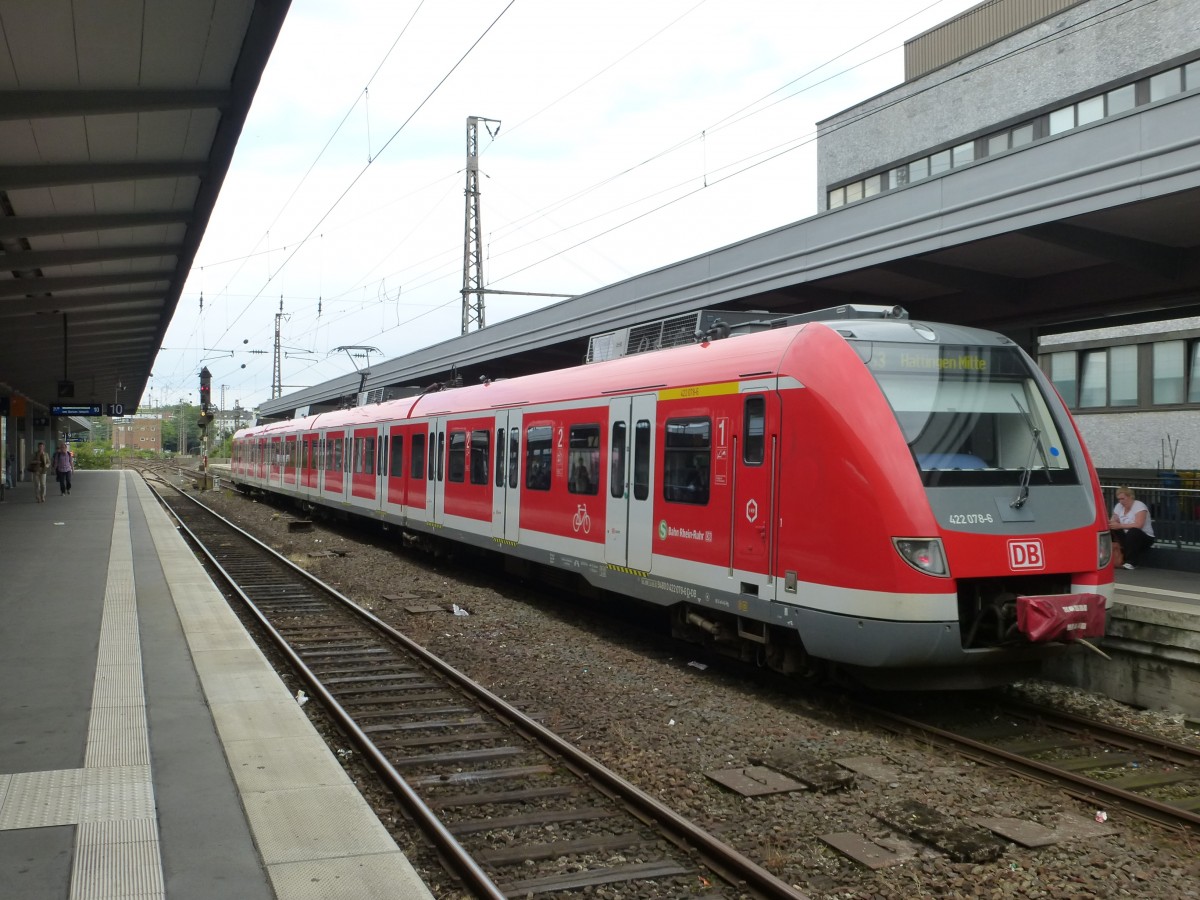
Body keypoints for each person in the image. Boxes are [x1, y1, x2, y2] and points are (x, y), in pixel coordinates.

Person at [1110, 485, 1154, 569]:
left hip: (1144, 537)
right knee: (1110, 529)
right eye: (1119, 499)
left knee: (1133, 531)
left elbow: (1139, 524)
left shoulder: (1139, 506)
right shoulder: (1118, 506)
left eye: (1123, 499)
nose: (1121, 501)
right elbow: (1113, 520)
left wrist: (1120, 525)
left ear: (1130, 497)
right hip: (1126, 536)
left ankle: (1131, 562)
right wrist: (1114, 523)